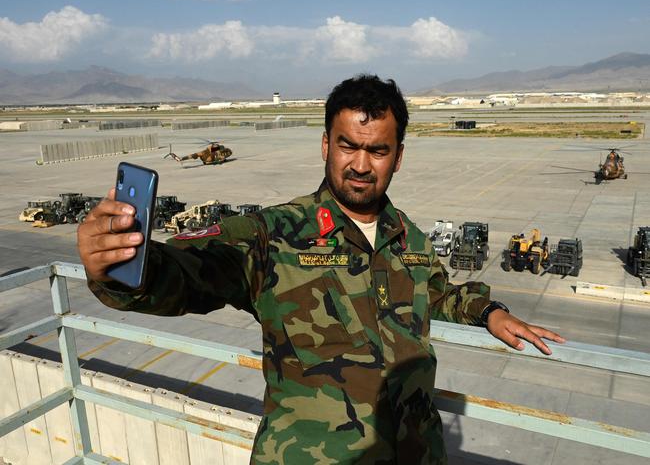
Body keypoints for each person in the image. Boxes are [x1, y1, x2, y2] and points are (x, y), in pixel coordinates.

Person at [78, 74, 564, 464]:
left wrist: (489, 312)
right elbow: (200, 270)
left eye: (377, 150)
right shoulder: (275, 233)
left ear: (398, 158)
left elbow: (436, 292)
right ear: (325, 144)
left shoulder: (406, 235)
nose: (360, 164)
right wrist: (123, 268)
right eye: (348, 145)